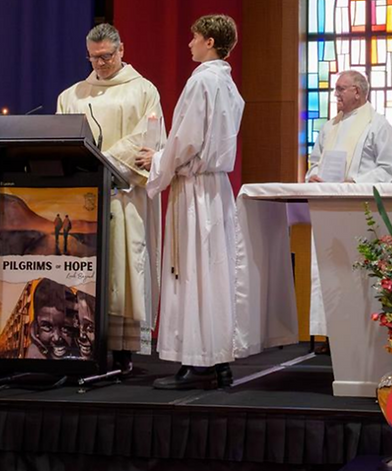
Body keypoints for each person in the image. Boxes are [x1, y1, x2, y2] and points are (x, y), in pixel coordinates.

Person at [136, 14, 244, 390]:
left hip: (195, 189)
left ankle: (196, 362)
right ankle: (220, 360)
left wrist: (158, 161)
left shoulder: (201, 82)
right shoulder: (229, 85)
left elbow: (186, 140)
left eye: (195, 38)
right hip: (216, 189)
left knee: (192, 272)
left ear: (211, 42)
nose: (189, 44)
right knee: (214, 274)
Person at [57, 23, 164, 374]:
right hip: (84, 197)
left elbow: (145, 139)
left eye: (107, 56)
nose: (101, 63)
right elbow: (61, 139)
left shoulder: (143, 90)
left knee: (121, 269)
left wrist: (103, 164)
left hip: (122, 195)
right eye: (94, 57)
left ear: (122, 50)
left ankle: (122, 350)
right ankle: (78, 344)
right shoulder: (71, 95)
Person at [305, 69, 392, 351]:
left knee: (357, 272)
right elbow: (314, 162)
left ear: (358, 91)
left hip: (361, 210)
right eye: (336, 90)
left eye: (341, 89)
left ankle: (360, 331)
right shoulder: (329, 127)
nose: (336, 95)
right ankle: (328, 333)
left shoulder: (377, 125)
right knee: (328, 270)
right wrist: (314, 176)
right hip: (328, 207)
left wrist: (354, 182)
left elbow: (388, 170)